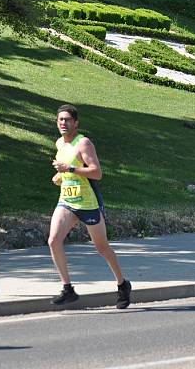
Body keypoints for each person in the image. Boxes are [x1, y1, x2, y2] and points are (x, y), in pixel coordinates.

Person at [48, 103, 131, 309]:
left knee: (101, 247)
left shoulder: (83, 143)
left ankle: (122, 284)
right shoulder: (60, 144)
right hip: (67, 201)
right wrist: (59, 175)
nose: (64, 123)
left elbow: (96, 172)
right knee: (53, 240)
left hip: (88, 203)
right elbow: (67, 170)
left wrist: (70, 168)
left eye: (67, 120)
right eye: (60, 120)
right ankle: (68, 288)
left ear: (76, 123)